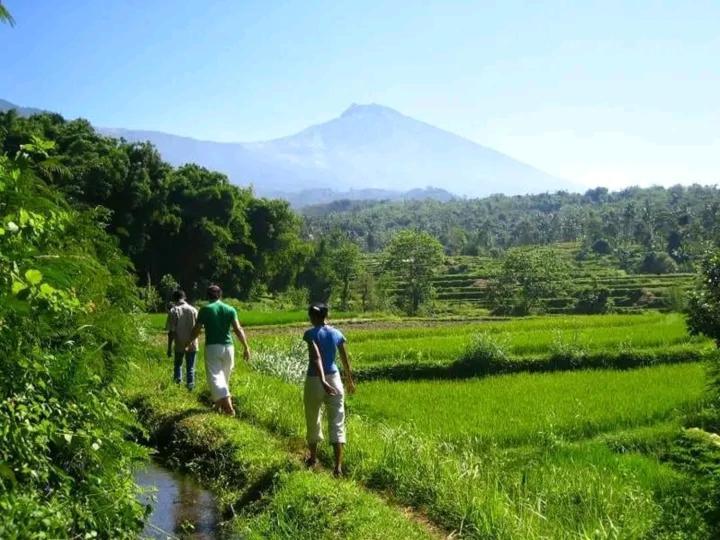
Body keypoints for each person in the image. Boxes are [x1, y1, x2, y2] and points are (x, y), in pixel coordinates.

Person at [303, 302, 356, 476]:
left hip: (315, 379)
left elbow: (315, 358)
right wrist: (349, 379)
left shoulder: (310, 334)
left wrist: (322, 381)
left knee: (313, 417)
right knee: (337, 421)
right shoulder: (337, 333)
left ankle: (312, 459)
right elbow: (344, 357)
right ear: (327, 315)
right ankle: (338, 468)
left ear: (314, 317)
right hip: (335, 379)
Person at [189, 284, 251, 415]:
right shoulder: (230, 309)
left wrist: (188, 342)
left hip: (213, 347)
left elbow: (197, 329)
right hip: (229, 348)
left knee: (215, 377)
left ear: (207, 296)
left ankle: (228, 407)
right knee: (224, 378)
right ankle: (217, 406)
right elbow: (238, 329)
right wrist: (246, 347)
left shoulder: (205, 310)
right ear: (220, 295)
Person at [165, 290, 199, 390]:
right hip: (192, 343)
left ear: (174, 299)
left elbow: (171, 332)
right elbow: (198, 328)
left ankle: (177, 387)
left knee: (178, 366)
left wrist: (169, 348)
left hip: (179, 343)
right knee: (191, 368)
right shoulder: (194, 310)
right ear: (184, 298)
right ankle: (190, 388)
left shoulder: (174, 311)